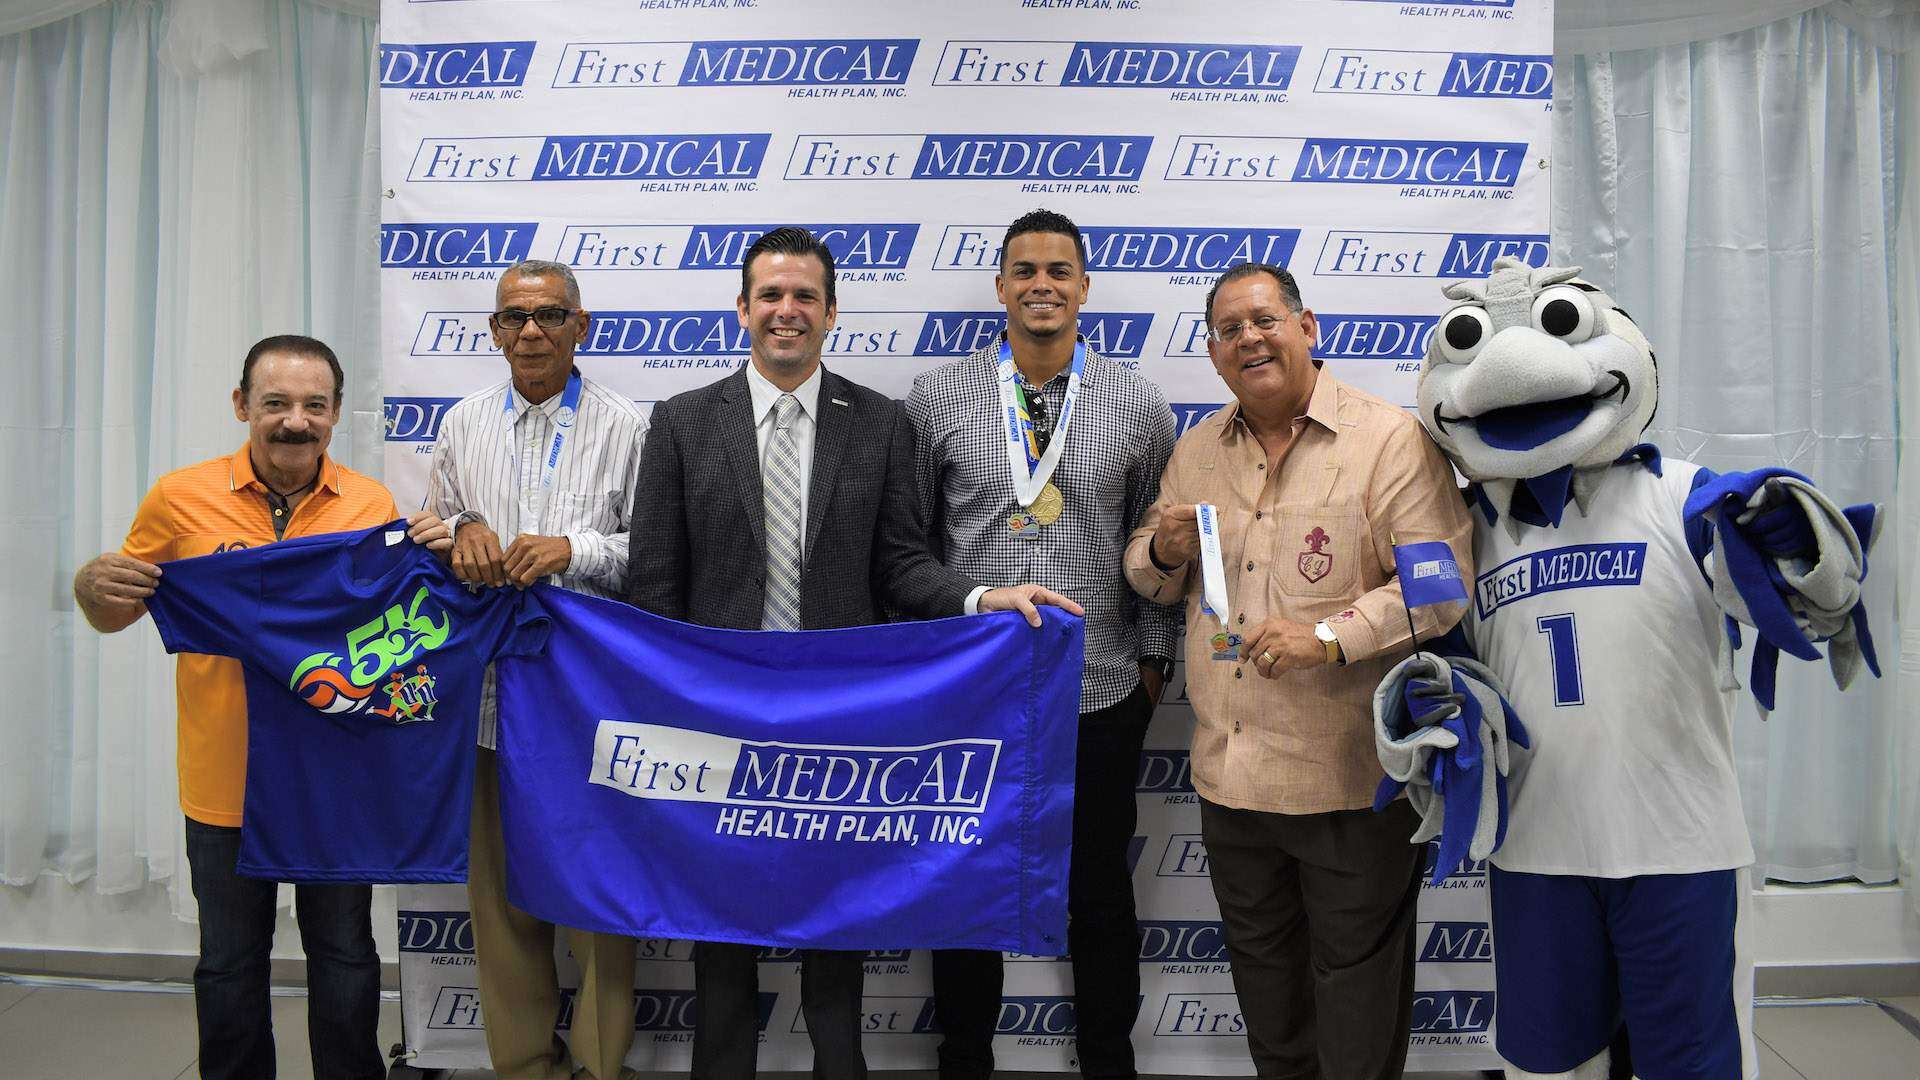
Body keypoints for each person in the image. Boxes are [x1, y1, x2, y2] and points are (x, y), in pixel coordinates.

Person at [626, 226, 1079, 1080]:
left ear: (832, 313)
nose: (787, 311)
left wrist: (982, 599)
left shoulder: (880, 423)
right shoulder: (682, 422)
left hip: (840, 728)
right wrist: (670, 704)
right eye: (770, 295)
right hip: (717, 726)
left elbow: (903, 566)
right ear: (742, 309)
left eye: (805, 296)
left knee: (836, 931)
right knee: (720, 934)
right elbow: (654, 584)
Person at [1123, 264, 1473, 1079]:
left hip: (1349, 783)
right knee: (1269, 1002)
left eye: (1264, 320)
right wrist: (1162, 551)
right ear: (1213, 353)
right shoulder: (1195, 453)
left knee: (1356, 1007)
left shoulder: (1389, 439)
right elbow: (1147, 576)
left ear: (1307, 327)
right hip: (1232, 784)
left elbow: (1439, 587)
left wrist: (1329, 636)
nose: (1248, 339)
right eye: (1229, 330)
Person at [72, 333, 447, 1080]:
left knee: (345, 953)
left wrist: (436, 556)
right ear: (242, 405)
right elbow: (115, 608)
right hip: (224, 779)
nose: (295, 421)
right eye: (276, 403)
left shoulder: (370, 506)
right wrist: (91, 588)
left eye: (314, 405)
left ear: (336, 412)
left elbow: (398, 633)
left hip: (334, 778)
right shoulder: (179, 498)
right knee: (229, 960)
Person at [906, 209, 1178, 1080]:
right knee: (966, 889)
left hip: (1099, 690)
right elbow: (909, 551)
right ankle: (964, 1060)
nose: (1042, 286)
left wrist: (1153, 668)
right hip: (970, 695)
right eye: (1024, 270)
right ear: (1000, 286)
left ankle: (1108, 1061)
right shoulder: (936, 400)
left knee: (1098, 891)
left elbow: (1158, 547)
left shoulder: (1138, 403)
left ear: (1084, 287)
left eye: (1059, 271)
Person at [423, 259, 648, 1080]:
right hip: (487, 699)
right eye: (513, 318)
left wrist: (572, 550)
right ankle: (521, 1066)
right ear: (493, 331)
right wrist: (459, 527)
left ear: (581, 327)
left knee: (596, 900)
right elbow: (427, 531)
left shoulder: (627, 427)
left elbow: (656, 556)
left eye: (550, 315)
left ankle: (598, 1065)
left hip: (587, 706)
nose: (530, 332)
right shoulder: (462, 423)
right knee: (499, 904)